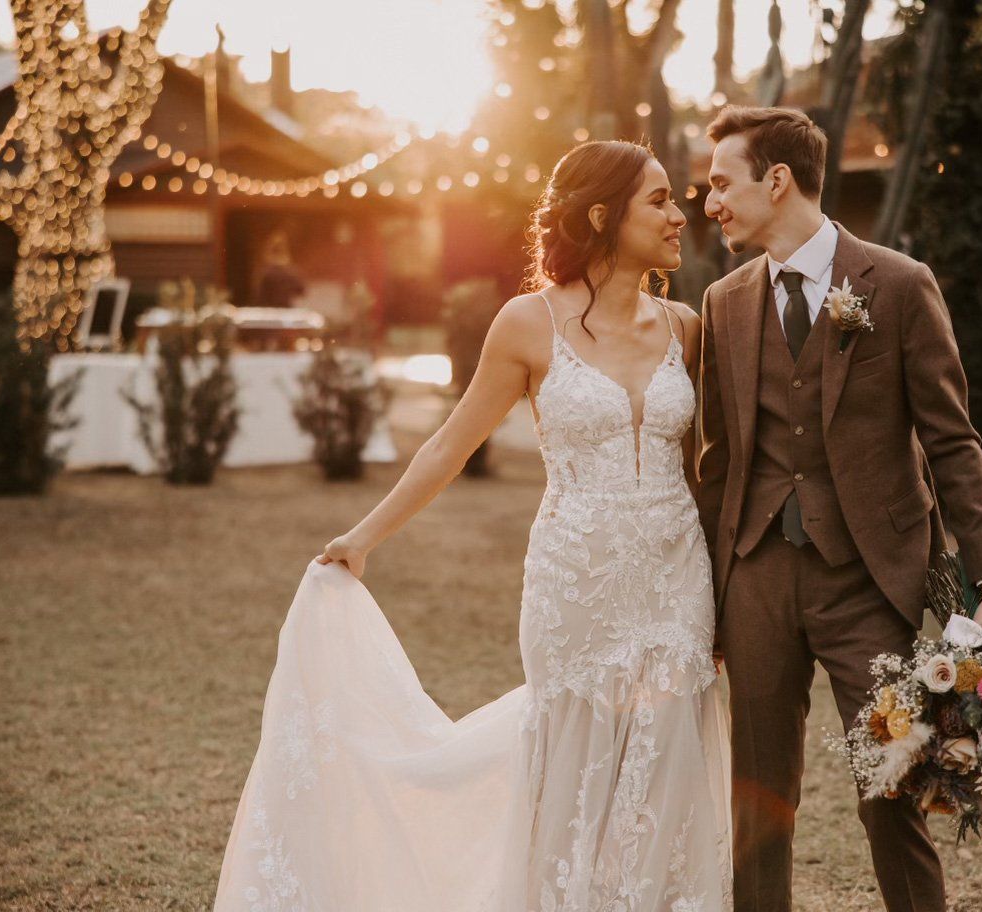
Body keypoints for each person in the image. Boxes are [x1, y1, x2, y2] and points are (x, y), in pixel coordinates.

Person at [213, 141, 733, 911]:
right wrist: (363, 536)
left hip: (674, 578)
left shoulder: (688, 327)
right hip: (574, 581)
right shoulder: (527, 324)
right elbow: (449, 445)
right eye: (657, 199)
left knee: (665, 762)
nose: (677, 213)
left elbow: (718, 467)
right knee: (571, 764)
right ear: (601, 216)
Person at [695, 105, 982, 912]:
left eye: (719, 183)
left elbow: (951, 444)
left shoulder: (900, 285)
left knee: (892, 785)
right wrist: (703, 599)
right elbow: (717, 463)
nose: (710, 203)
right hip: (756, 579)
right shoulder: (723, 302)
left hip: (867, 583)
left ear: (776, 180)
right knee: (757, 799)